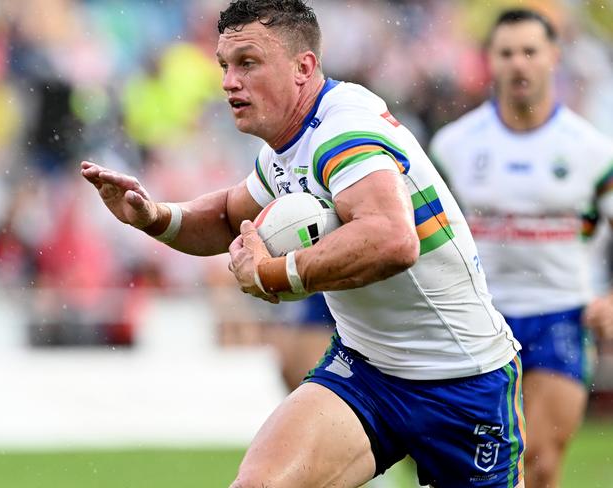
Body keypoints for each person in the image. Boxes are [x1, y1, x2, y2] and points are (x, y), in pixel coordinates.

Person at [81, 1, 524, 486]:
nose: (230, 81)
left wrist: (274, 274)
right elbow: (231, 216)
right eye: (225, 66)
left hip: (461, 377)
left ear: (303, 67)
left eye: (248, 63)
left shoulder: (343, 130)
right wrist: (156, 217)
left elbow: (393, 239)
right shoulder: (285, 144)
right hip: (369, 372)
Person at [429, 9, 613, 488]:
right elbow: (422, 234)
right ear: (490, 61)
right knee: (463, 461)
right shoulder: (453, 146)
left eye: (530, 51)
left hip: (558, 316)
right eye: (506, 53)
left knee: (540, 463)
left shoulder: (591, 150)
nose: (518, 64)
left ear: (553, 57)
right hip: (476, 319)